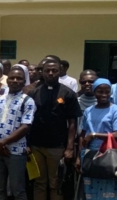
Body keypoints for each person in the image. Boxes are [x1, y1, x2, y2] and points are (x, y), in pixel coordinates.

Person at [28, 59, 81, 200]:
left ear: (60, 71)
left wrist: (69, 148)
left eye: (54, 70)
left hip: (57, 147)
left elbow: (72, 123)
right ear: (42, 72)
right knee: (39, 182)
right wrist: (27, 144)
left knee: (55, 183)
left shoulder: (68, 94)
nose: (50, 73)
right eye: (47, 71)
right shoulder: (33, 93)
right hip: (36, 146)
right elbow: (27, 121)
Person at [0, 68, 36, 200]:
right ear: (7, 80)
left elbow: (26, 126)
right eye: (12, 78)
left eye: (19, 78)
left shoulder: (27, 101)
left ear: (24, 81)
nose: (15, 80)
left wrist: (3, 143)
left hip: (16, 152)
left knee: (18, 190)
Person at [75, 78, 117, 200]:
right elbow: (82, 134)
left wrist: (94, 135)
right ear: (94, 92)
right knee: (89, 189)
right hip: (88, 154)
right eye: (100, 91)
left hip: (108, 153)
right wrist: (78, 157)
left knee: (109, 188)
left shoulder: (115, 110)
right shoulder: (89, 110)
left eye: (107, 91)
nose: (104, 95)